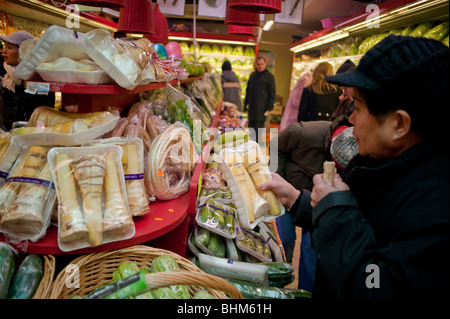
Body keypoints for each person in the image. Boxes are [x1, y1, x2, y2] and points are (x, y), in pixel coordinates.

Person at [261, 35, 449, 298]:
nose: (351, 117)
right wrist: (297, 200)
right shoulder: (388, 164)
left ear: (398, 125)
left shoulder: (435, 210)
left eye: (358, 107)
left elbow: (373, 286)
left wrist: (335, 212)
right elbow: (367, 228)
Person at [275, 114, 356, 292]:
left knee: (310, 249)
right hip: (288, 191)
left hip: (316, 203)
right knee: (284, 239)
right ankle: (281, 276)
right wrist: (279, 177)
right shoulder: (306, 132)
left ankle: (305, 290)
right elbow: (276, 145)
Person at [0, 31, 55, 131]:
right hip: (6, 134)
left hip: (31, 134)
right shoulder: (4, 75)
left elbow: (47, 110)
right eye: (5, 47)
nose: (4, 51)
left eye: (9, 47)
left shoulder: (40, 76)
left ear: (23, 51)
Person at [244, 56, 275, 143]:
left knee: (258, 132)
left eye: (262, 64)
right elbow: (248, 91)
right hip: (252, 109)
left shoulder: (269, 77)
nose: (260, 66)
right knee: (251, 131)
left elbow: (272, 92)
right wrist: (245, 104)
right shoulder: (252, 75)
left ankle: (255, 150)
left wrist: (269, 107)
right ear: (255, 65)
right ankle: (250, 149)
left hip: (262, 110)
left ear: (265, 65)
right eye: (258, 64)